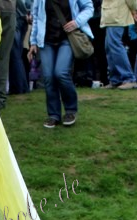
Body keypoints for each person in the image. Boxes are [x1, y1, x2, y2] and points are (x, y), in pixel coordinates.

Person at [29, 0, 94, 128]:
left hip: (67, 38)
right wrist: (33, 42)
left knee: (61, 73)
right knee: (48, 77)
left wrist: (77, 22)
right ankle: (53, 115)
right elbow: (36, 16)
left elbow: (89, 8)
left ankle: (70, 110)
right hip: (46, 40)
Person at [100, 0, 137, 89]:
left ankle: (129, 78)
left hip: (117, 17)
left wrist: (134, 9)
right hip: (111, 17)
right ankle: (116, 79)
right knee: (109, 48)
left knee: (115, 46)